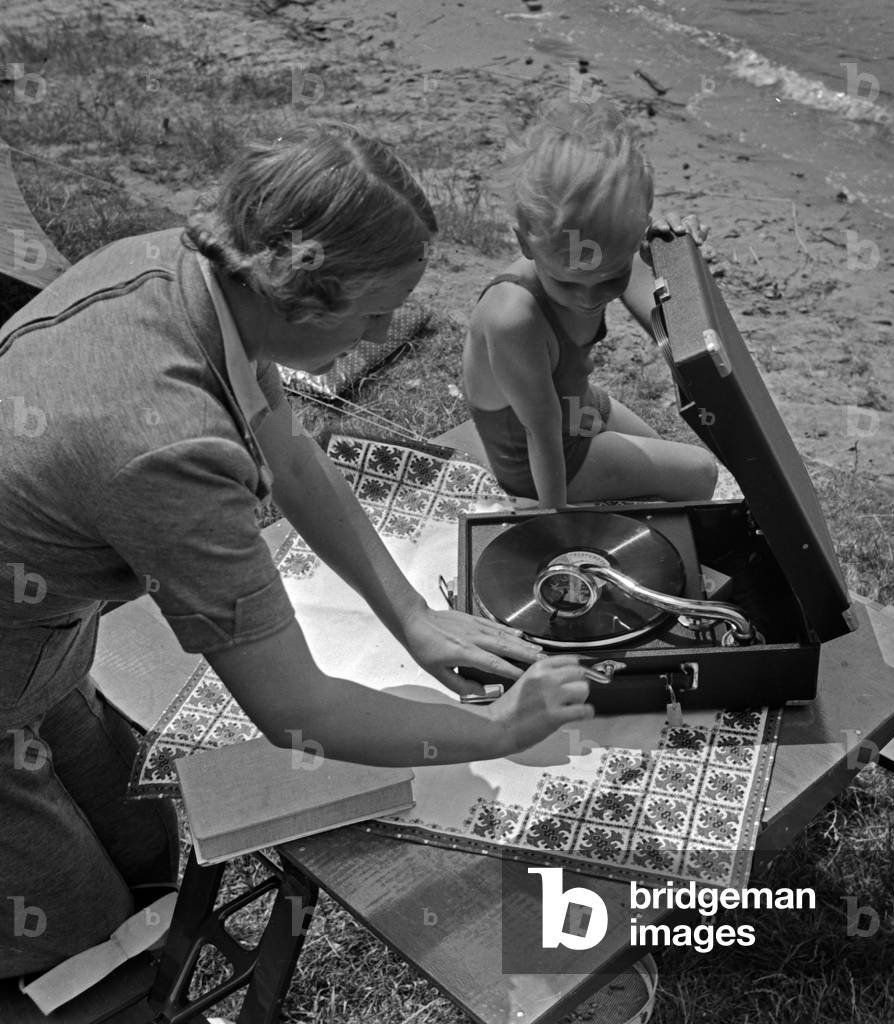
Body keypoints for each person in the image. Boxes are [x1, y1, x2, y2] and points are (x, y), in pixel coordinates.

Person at [0, 122, 593, 978]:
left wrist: (413, 616)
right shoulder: (166, 449)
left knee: (144, 850)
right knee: (80, 951)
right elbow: (297, 713)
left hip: (36, 644)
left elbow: (290, 453)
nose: (388, 327)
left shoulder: (192, 271)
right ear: (300, 295)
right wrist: (497, 729)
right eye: (376, 312)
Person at [462, 99, 719, 510]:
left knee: (669, 472)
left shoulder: (596, 258)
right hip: (539, 457)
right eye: (568, 283)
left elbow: (673, 331)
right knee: (701, 473)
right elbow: (540, 433)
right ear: (525, 243)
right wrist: (555, 519)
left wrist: (676, 259)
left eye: (612, 278)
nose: (590, 297)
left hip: (578, 407)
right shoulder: (513, 318)